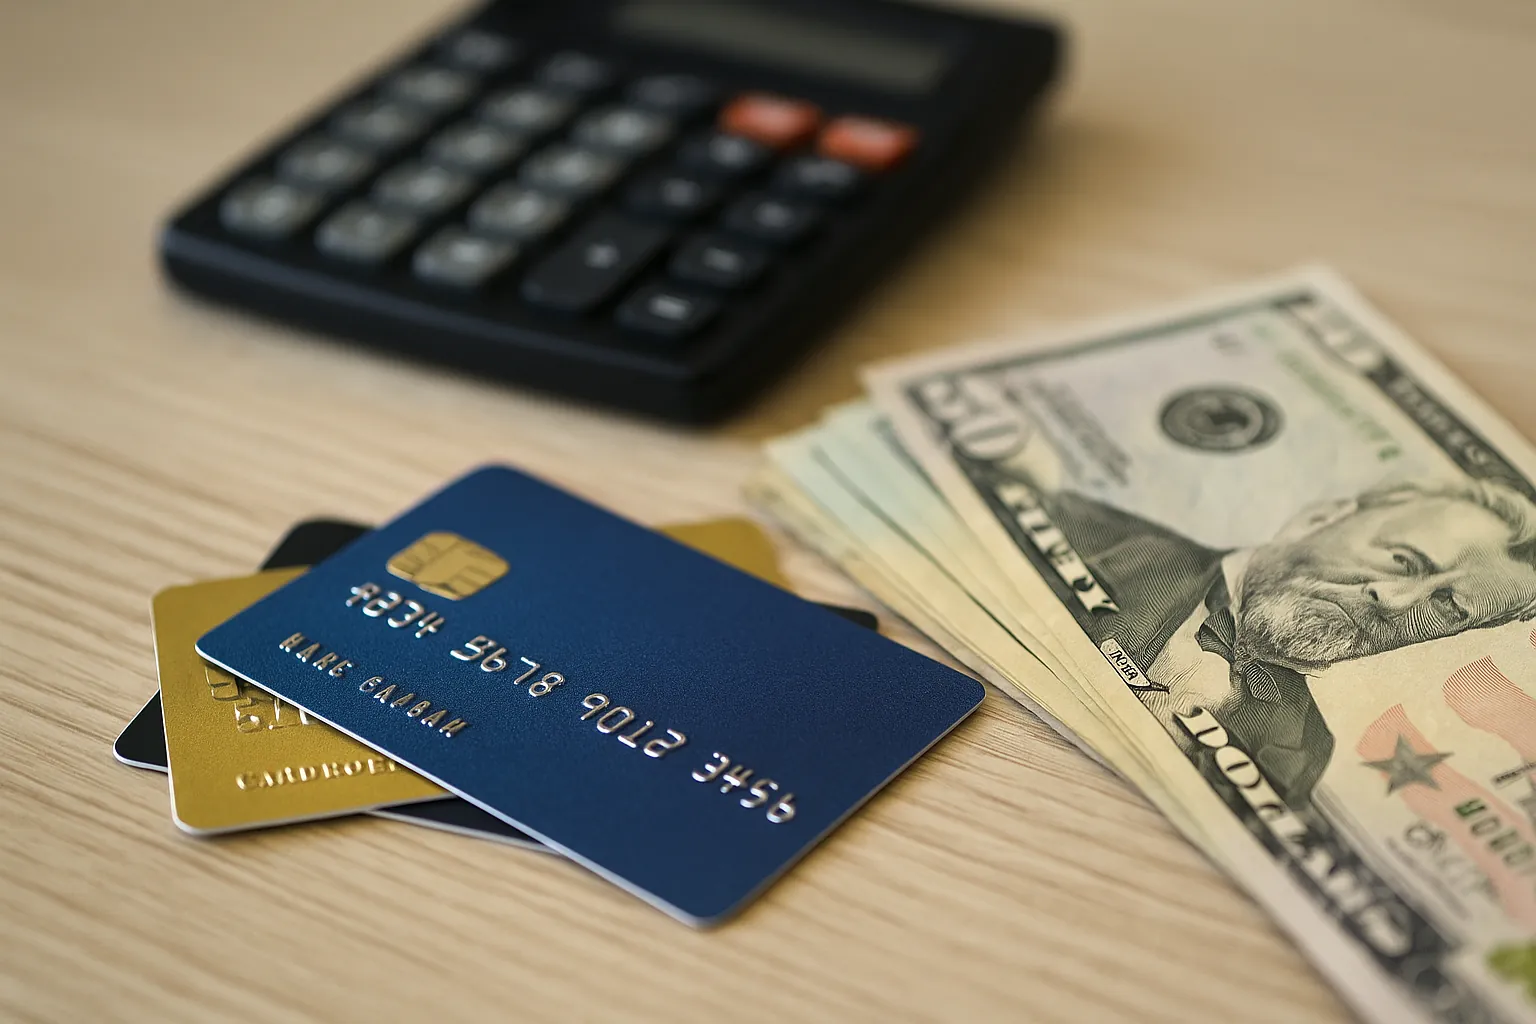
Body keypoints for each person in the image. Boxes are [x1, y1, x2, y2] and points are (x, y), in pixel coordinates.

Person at [1041, 478, 1536, 809]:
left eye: (1447, 605)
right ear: (1318, 518)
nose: (1393, 598)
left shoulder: (1303, 746)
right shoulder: (1075, 528)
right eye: (1404, 560)